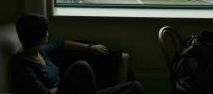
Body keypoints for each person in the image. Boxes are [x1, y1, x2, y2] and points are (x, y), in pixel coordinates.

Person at [11, 13, 144, 94]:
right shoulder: (23, 65)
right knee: (81, 66)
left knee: (135, 87)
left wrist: (89, 47)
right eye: (45, 31)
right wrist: (72, 86)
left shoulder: (41, 50)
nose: (48, 33)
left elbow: (62, 44)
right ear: (37, 37)